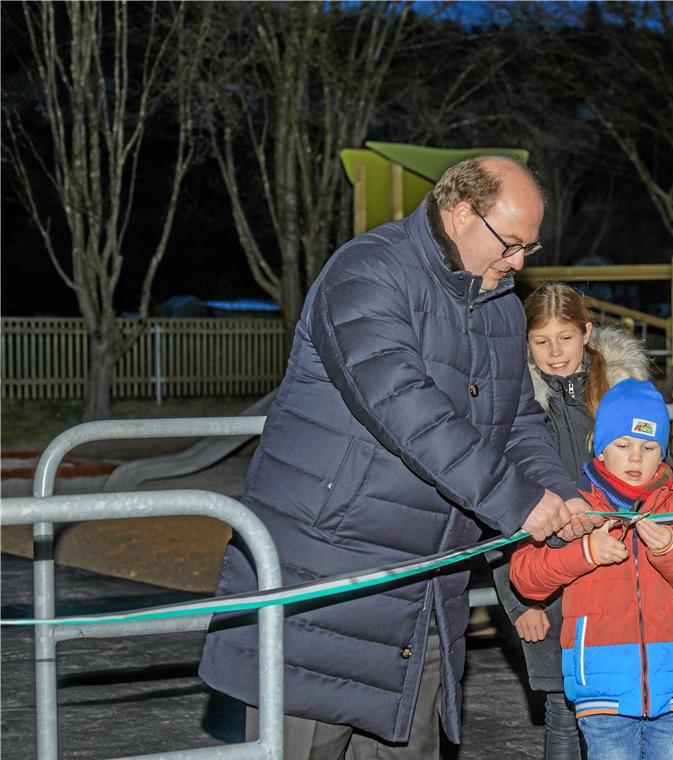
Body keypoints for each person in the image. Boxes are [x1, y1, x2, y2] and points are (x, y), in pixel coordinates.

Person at [197, 156, 596, 760]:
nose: (519, 262)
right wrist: (517, 502)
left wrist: (559, 492)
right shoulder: (367, 273)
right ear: (461, 213)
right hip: (327, 584)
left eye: (529, 247)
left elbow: (517, 421)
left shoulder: (500, 306)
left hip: (426, 594)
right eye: (511, 243)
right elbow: (408, 412)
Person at [510, 379, 673, 760]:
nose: (634, 458)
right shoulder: (572, 508)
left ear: (662, 452)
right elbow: (526, 578)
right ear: (599, 445)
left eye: (648, 447)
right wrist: (585, 552)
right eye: (622, 445)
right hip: (601, 684)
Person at [488, 282, 651, 759]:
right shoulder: (515, 413)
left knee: (623, 707)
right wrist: (522, 605)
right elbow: (501, 512)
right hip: (547, 581)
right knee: (563, 709)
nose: (554, 353)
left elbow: (654, 482)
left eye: (565, 337)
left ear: (586, 332)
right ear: (525, 344)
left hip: (618, 577)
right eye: (541, 341)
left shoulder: (623, 400)